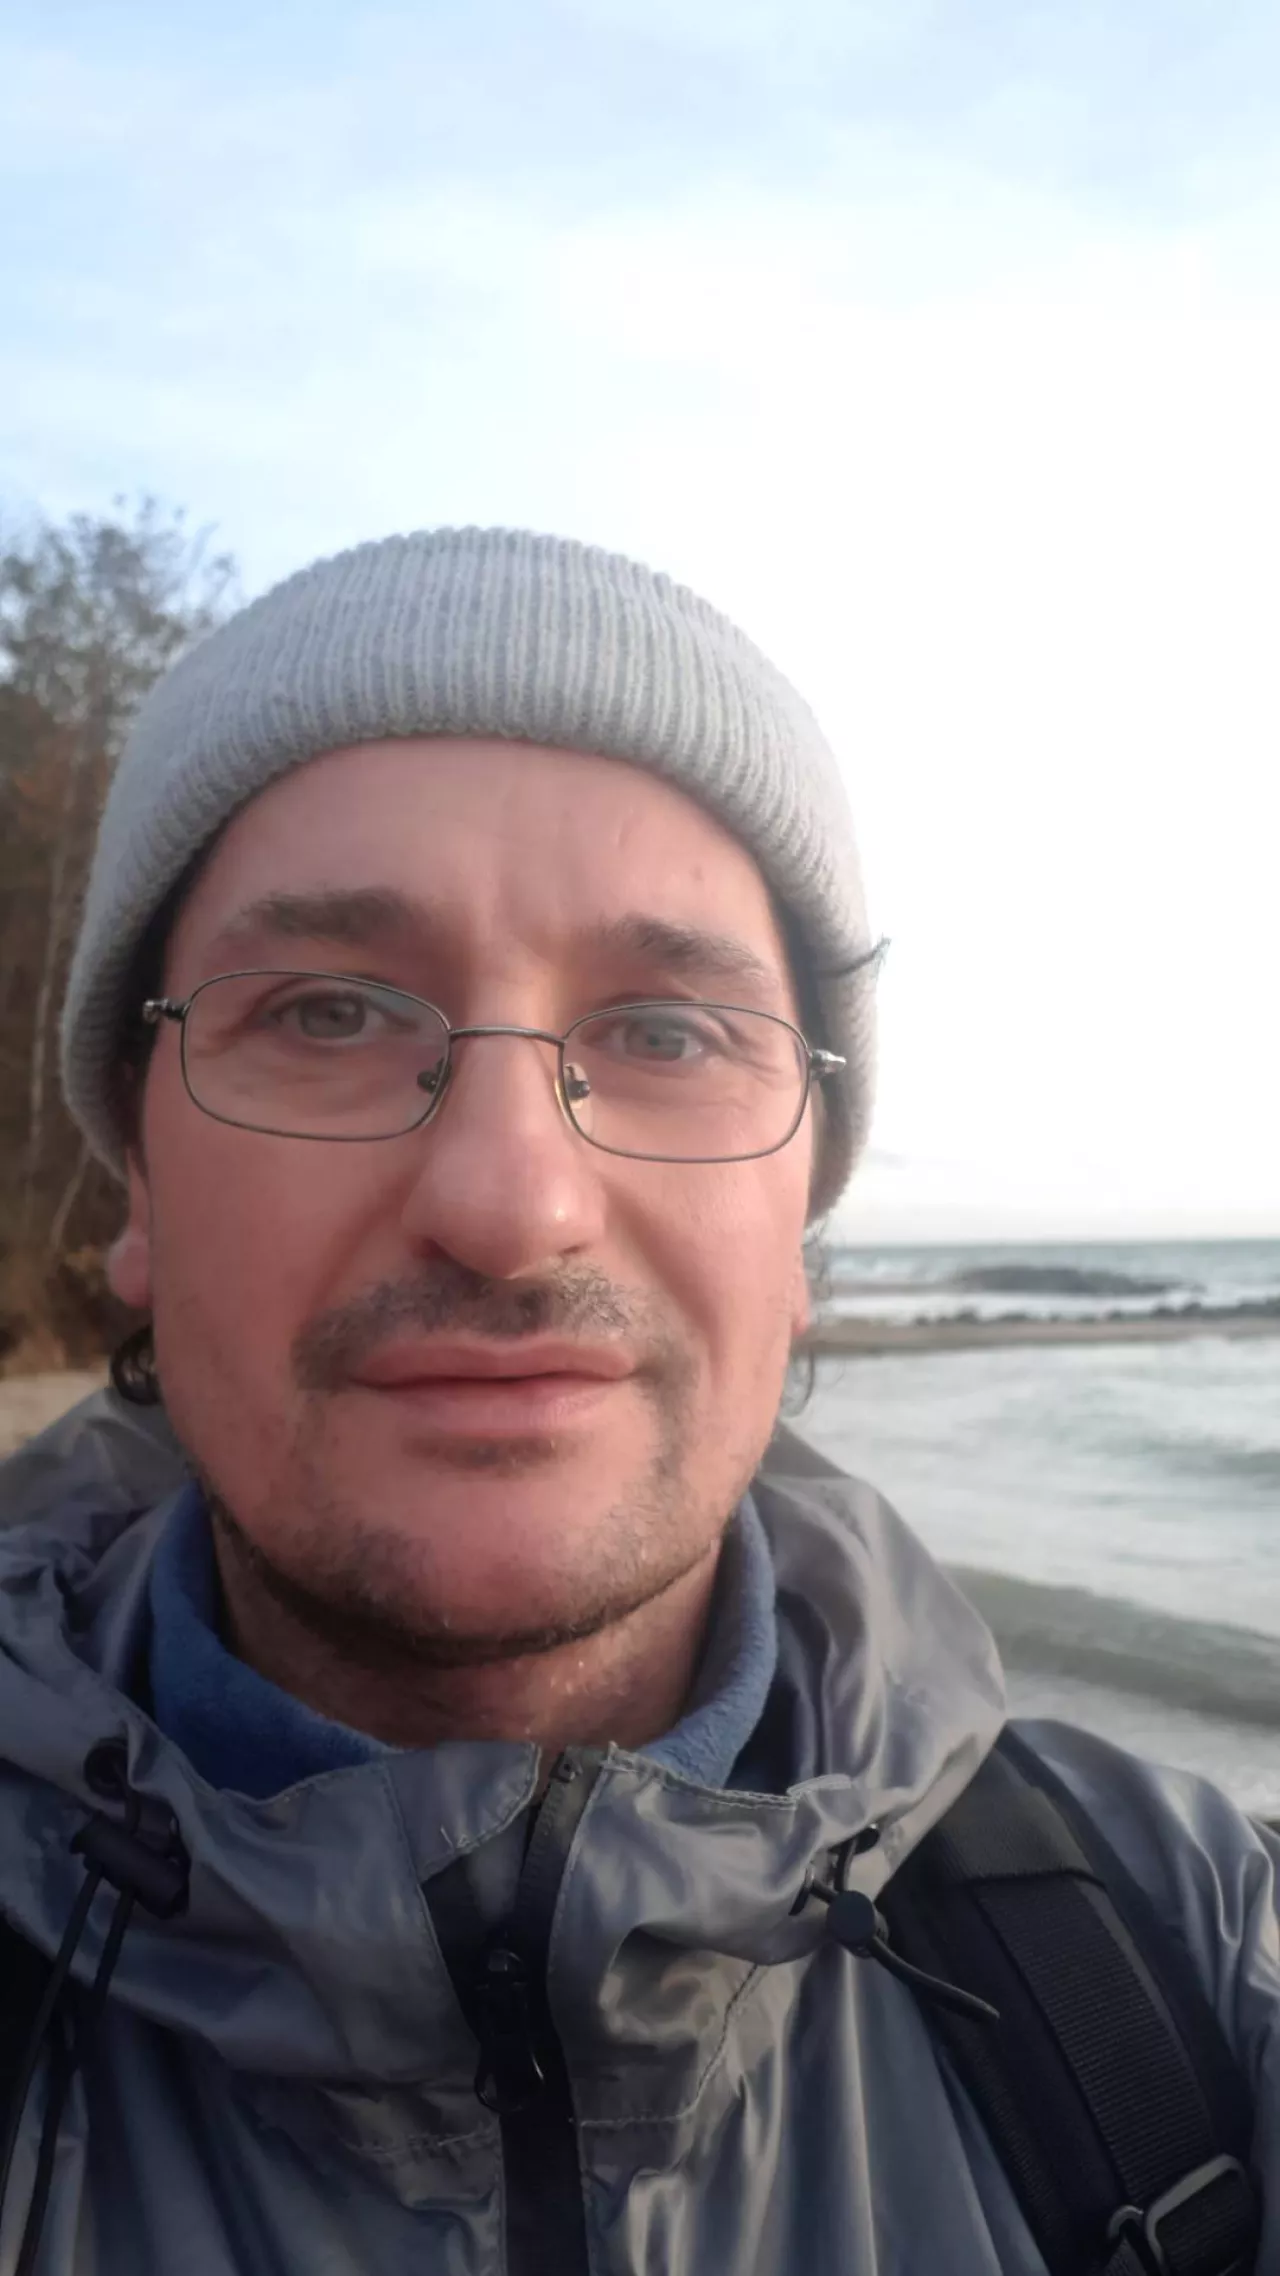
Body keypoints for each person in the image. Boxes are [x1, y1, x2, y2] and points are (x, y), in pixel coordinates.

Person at [0, 526, 1275, 2275]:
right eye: (328, 1013)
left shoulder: (1192, 1960)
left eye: (668, 1035)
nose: (509, 1203)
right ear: (136, 1186)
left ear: (802, 1230)